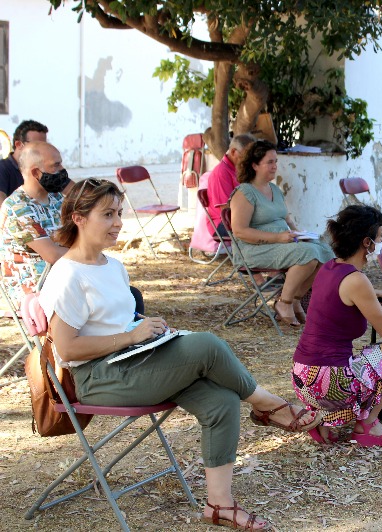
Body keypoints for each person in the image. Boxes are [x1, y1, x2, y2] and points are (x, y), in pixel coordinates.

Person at [38, 178, 323, 531]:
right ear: (79, 218)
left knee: (221, 400)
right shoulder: (67, 274)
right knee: (204, 344)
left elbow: (117, 320)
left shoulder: (112, 266)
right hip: (101, 378)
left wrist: (147, 327)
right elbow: (67, 348)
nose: (118, 223)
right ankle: (269, 405)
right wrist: (130, 336)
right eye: (107, 215)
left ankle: (220, 505)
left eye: (119, 213)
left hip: (137, 361)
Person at [292, 205, 382, 445]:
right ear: (367, 242)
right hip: (329, 380)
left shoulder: (329, 268)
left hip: (303, 378)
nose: (381, 243)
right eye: (380, 238)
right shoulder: (357, 281)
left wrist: (372, 294)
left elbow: (339, 297)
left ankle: (324, 418)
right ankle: (368, 425)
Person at [229, 141, 334, 327]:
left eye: (276, 161)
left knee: (325, 252)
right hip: (254, 250)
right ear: (254, 165)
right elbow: (239, 231)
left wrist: (300, 233)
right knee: (308, 254)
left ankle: (294, 300)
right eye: (270, 162)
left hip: (281, 244)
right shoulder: (244, 192)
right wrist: (278, 237)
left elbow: (287, 220)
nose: (275, 166)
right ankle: (284, 303)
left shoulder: (275, 190)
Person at [1, 142, 69, 300]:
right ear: (36, 172)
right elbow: (52, 254)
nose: (62, 170)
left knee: (127, 295)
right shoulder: (17, 208)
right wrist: (91, 255)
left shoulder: (56, 198)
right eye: (56, 165)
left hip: (64, 279)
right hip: (33, 291)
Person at [206, 133, 256, 236]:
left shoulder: (239, 169)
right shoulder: (221, 173)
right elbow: (227, 211)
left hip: (240, 218)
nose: (249, 161)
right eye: (246, 156)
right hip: (222, 223)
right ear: (233, 152)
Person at [0, 120, 49, 205]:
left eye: (44, 145)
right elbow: (1, 206)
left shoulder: (43, 168)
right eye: (36, 145)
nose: (41, 150)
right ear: (18, 144)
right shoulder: (3, 168)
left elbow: (71, 191)